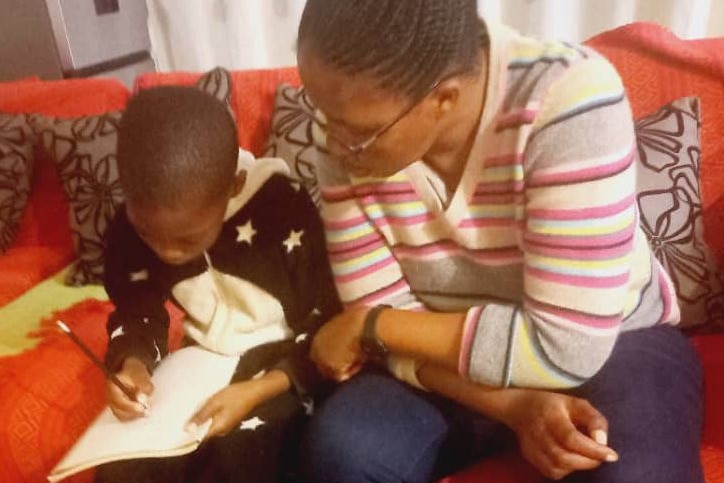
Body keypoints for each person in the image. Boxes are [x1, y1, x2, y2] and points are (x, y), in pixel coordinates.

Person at [294, 1, 704, 482]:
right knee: (342, 452)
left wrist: (369, 325)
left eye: (359, 135)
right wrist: (513, 406)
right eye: (320, 112)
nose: (334, 143)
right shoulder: (338, 131)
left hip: (614, 340)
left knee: (637, 476)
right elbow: (386, 317)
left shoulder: (568, 98)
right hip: (438, 356)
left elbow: (566, 345)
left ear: (443, 99)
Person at [94, 86, 341, 483]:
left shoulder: (284, 208)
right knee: (123, 469)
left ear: (234, 186)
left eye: (187, 241)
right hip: (200, 361)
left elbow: (330, 324)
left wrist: (259, 390)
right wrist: (133, 362)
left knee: (241, 459)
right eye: (148, 234)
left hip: (287, 361)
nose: (167, 253)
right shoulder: (131, 222)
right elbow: (137, 305)